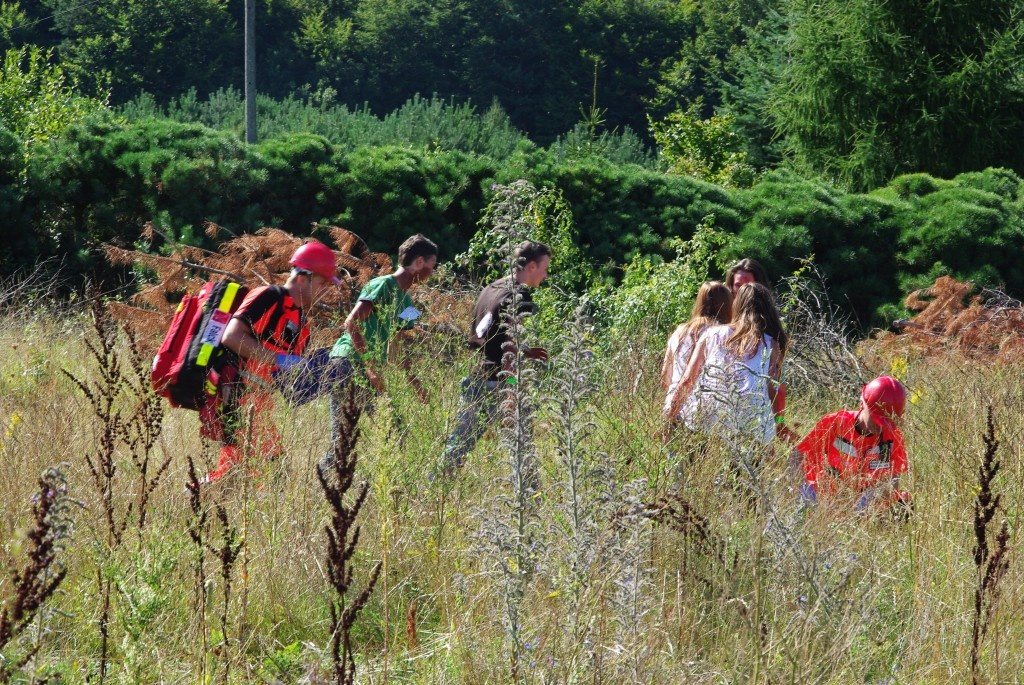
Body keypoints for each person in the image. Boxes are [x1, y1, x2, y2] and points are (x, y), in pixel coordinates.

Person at [201, 240, 340, 484]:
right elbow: (231, 337)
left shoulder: (302, 323)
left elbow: (288, 383)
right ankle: (197, 502)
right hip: (235, 395)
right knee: (276, 476)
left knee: (231, 475)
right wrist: (281, 359)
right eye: (322, 283)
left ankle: (199, 502)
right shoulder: (268, 296)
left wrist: (319, 375)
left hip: (260, 406)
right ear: (302, 278)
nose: (326, 290)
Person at [321, 234, 438, 470]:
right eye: (431, 266)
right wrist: (370, 366)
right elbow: (350, 322)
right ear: (418, 263)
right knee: (342, 439)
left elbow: (396, 342)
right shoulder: (382, 285)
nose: (431, 273)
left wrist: (415, 383)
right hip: (348, 363)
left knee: (394, 431)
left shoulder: (406, 300)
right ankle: (323, 483)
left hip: (368, 371)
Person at [439, 241, 552, 474]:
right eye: (545, 268)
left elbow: (492, 337)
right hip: (498, 385)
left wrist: (526, 351)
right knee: (522, 450)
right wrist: (511, 389)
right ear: (531, 266)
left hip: (476, 379)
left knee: (457, 447)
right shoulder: (518, 295)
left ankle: (432, 489)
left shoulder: (492, 288)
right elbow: (509, 346)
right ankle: (530, 503)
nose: (546, 274)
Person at [664, 282, 789, 446]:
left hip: (708, 423)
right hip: (753, 428)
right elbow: (775, 391)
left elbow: (688, 378)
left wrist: (670, 417)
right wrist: (779, 425)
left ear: (736, 305)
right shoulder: (770, 344)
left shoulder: (712, 334)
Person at [796, 376, 911, 513]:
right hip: (825, 500)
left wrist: (867, 501)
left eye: (888, 422)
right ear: (862, 404)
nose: (881, 427)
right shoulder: (834, 423)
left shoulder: (894, 436)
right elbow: (797, 456)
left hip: (865, 506)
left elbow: (893, 481)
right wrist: (798, 489)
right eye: (877, 419)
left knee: (904, 504)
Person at [661, 281, 732, 422]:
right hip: (706, 413)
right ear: (728, 305)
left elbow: (665, 378)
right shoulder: (724, 335)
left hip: (672, 409)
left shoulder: (679, 331)